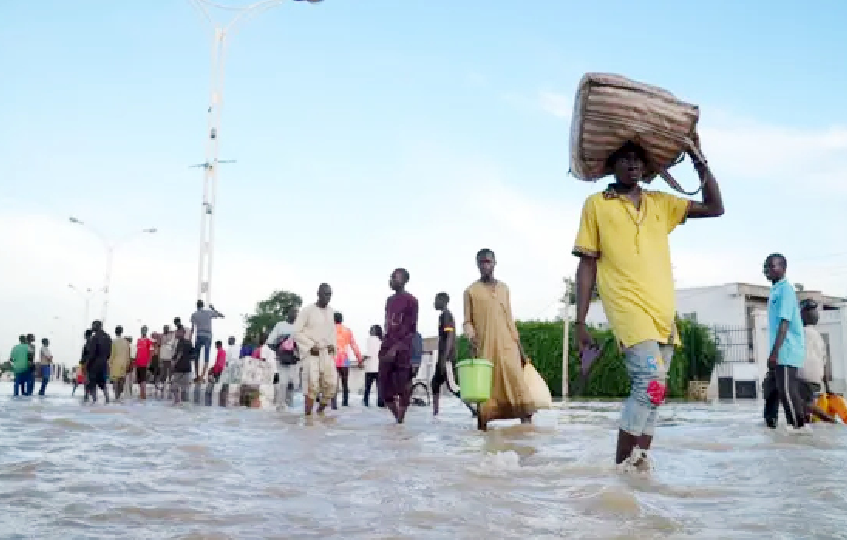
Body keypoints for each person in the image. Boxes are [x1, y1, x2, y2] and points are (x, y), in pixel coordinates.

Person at [572, 138, 724, 466]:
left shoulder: (660, 203)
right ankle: (621, 468)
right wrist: (579, 321)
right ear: (611, 166)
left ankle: (639, 467)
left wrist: (700, 162)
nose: (632, 165)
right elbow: (587, 264)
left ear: (647, 168)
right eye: (624, 159)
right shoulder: (596, 204)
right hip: (628, 308)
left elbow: (715, 207)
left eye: (638, 160)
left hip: (663, 312)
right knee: (650, 382)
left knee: (657, 394)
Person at [463, 249, 535, 430]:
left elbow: (510, 319)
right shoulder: (471, 291)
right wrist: (471, 337)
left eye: (488, 261)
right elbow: (467, 321)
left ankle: (527, 435)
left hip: (508, 346)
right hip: (485, 348)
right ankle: (483, 439)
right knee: (486, 393)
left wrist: (520, 350)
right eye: (481, 262)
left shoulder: (504, 288)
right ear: (477, 265)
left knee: (518, 386)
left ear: (495, 263)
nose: (485, 265)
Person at [762, 253, 808, 432]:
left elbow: (784, 323)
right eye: (766, 267)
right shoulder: (775, 290)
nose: (768, 270)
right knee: (773, 390)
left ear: (783, 268)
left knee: (787, 391)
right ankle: (777, 426)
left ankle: (799, 429)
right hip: (779, 350)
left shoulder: (786, 290)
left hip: (787, 349)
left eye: (772, 266)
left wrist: (775, 353)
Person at [378, 268, 419, 424]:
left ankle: (400, 421)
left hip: (403, 348)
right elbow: (387, 324)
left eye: (395, 277)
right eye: (391, 277)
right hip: (387, 345)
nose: (391, 280)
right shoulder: (389, 300)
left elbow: (412, 329)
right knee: (383, 389)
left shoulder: (412, 301)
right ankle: (397, 418)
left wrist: (396, 349)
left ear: (404, 280)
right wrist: (386, 346)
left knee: (403, 386)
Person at [293, 283, 338, 416]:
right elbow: (296, 332)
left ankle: (320, 412)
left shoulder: (331, 311)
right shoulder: (307, 311)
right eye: (325, 294)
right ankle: (308, 417)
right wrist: (310, 346)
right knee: (312, 385)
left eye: (330, 294)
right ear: (318, 294)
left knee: (331, 385)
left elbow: (332, 331)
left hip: (326, 353)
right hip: (311, 353)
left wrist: (332, 345)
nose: (328, 297)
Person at [432, 292, 459, 416]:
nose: (434, 303)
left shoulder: (446, 315)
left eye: (436, 300)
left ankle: (475, 408)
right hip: (442, 357)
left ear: (443, 301)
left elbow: (450, 336)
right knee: (435, 383)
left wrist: (445, 358)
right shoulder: (442, 316)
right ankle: (435, 414)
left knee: (452, 387)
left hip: (446, 357)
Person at [268, 307, 300, 409]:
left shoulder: (299, 327)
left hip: (295, 359)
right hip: (282, 358)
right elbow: (270, 342)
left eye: (296, 313)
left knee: (293, 383)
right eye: (293, 312)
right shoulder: (280, 325)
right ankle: (280, 405)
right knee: (283, 382)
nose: (295, 315)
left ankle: (289, 406)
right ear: (288, 313)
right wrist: (280, 348)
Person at [331, 312, 363, 409]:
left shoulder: (330, 330)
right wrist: (359, 359)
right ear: (342, 319)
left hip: (333, 359)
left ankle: (334, 405)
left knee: (333, 383)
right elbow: (354, 346)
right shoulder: (347, 330)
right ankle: (345, 403)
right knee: (345, 382)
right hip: (345, 359)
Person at [189, 300, 225, 382]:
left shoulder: (194, 314)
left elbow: (192, 328)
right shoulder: (208, 312)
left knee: (196, 356)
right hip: (208, 336)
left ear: (196, 306)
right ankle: (202, 376)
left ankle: (197, 375)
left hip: (199, 335)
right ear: (203, 305)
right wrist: (213, 308)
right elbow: (221, 315)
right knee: (206, 356)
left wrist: (190, 339)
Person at [85, 321, 112, 404]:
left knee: (92, 383)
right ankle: (107, 399)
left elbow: (92, 353)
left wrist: (87, 363)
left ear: (97, 326)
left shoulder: (95, 337)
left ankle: (94, 401)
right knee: (102, 383)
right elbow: (109, 352)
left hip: (94, 363)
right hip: (103, 362)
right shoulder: (108, 337)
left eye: (93, 326)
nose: (92, 327)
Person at [172, 328, 194, 405]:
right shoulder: (189, 342)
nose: (176, 333)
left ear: (182, 333)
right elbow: (193, 355)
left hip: (179, 368)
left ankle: (177, 402)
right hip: (187, 368)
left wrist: (174, 364)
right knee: (185, 389)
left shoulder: (180, 342)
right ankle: (183, 405)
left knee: (175, 387)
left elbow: (179, 354)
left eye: (177, 332)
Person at [108, 326, 131, 401]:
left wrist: (109, 362)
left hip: (115, 363)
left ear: (115, 332)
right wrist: (127, 363)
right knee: (121, 380)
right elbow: (128, 354)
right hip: (123, 363)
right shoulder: (126, 342)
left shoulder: (113, 342)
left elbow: (112, 353)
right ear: (121, 332)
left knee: (115, 381)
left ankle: (116, 396)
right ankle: (119, 394)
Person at [362, 325, 382, 407]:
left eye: (371, 330)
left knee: (367, 387)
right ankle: (380, 403)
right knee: (380, 388)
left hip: (370, 367)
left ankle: (366, 402)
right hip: (379, 367)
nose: (369, 331)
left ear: (374, 331)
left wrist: (361, 360)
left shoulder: (370, 340)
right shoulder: (382, 340)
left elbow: (368, 353)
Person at [135, 326, 154, 400]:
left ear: (146, 331)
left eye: (144, 330)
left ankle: (144, 394)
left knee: (143, 379)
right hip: (138, 362)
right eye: (142, 330)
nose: (143, 331)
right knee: (139, 379)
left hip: (144, 362)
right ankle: (141, 393)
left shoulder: (149, 341)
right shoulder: (138, 340)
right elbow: (137, 351)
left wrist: (149, 362)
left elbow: (151, 352)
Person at [157, 325, 177, 398]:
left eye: (166, 329)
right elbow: (158, 348)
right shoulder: (161, 337)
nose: (165, 330)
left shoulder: (172, 336)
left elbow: (174, 346)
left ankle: (171, 388)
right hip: (163, 358)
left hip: (170, 358)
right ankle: (162, 387)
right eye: (164, 328)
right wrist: (159, 358)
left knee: (171, 373)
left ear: (168, 329)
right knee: (163, 373)